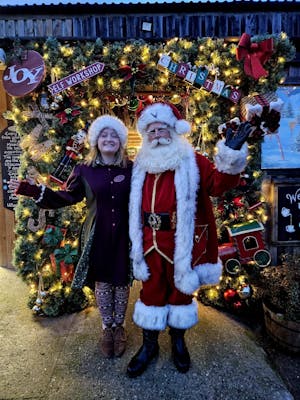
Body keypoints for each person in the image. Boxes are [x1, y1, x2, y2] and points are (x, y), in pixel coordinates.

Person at [127, 102, 252, 378]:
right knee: (151, 292)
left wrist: (230, 155)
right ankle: (149, 346)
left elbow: (218, 184)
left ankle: (178, 340)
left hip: (182, 242)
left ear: (174, 129)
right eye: (152, 129)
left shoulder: (193, 160)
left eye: (163, 128)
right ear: (146, 134)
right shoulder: (140, 163)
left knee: (181, 292)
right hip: (149, 241)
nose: (158, 133)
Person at [9, 115, 133, 359]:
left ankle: (120, 327)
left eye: (114, 135)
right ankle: (106, 328)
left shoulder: (132, 168)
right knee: (103, 281)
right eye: (104, 135)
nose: (109, 139)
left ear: (121, 141)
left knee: (122, 279)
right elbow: (67, 197)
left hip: (124, 233)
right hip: (96, 233)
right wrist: (33, 190)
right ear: (96, 140)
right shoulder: (84, 170)